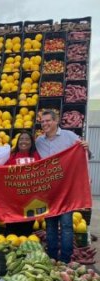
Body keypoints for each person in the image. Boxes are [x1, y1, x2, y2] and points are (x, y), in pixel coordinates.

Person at [36, 110, 91, 263]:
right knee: (50, 224)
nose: (45, 124)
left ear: (56, 121)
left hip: (67, 189)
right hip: (49, 190)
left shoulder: (70, 136)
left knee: (66, 225)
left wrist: (86, 148)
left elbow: (84, 155)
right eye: (43, 121)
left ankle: (66, 260)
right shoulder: (39, 141)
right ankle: (53, 257)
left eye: (48, 121)